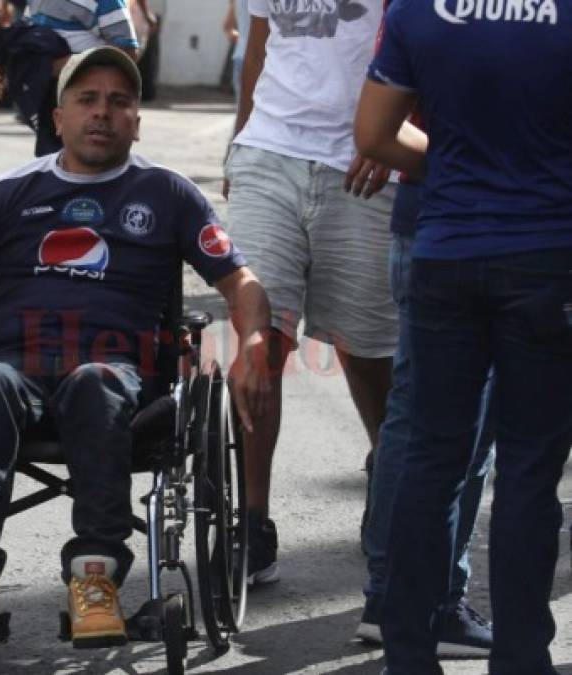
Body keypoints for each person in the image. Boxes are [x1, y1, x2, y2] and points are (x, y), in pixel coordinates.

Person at [0, 47, 273, 649]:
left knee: (94, 381)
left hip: (118, 378)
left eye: (118, 102)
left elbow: (241, 282)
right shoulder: (8, 193)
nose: (102, 113)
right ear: (58, 118)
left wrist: (253, 344)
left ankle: (94, 577)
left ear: (136, 120)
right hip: (15, 373)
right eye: (87, 100)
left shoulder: (169, 195)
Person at [354, 0, 572, 671]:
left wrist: (452, 166)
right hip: (546, 258)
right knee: (529, 474)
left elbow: (372, 134)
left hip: (445, 253)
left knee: (430, 461)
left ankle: (409, 655)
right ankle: (520, 657)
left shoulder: (422, 9)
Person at [223, 0, 398, 585]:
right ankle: (252, 520)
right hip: (269, 152)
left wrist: (393, 139)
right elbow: (258, 45)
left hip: (364, 162)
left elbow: (424, 45)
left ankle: (389, 468)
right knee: (260, 341)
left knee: (366, 347)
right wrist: (240, 137)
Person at [349, 136, 495, 656]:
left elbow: (379, 125)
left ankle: (399, 603)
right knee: (456, 433)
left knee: (427, 423)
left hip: (442, 223)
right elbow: (376, 128)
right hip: (486, 227)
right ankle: (418, 606)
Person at [0, 0, 139, 156]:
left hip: (83, 98)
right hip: (49, 99)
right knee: (53, 163)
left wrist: (65, 66)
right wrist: (1, 63)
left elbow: (128, 51)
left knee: (83, 164)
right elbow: (27, 34)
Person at [222, 0, 249, 102]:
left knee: (242, 104)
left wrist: (241, 38)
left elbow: (228, 27)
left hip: (241, 55)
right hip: (262, 58)